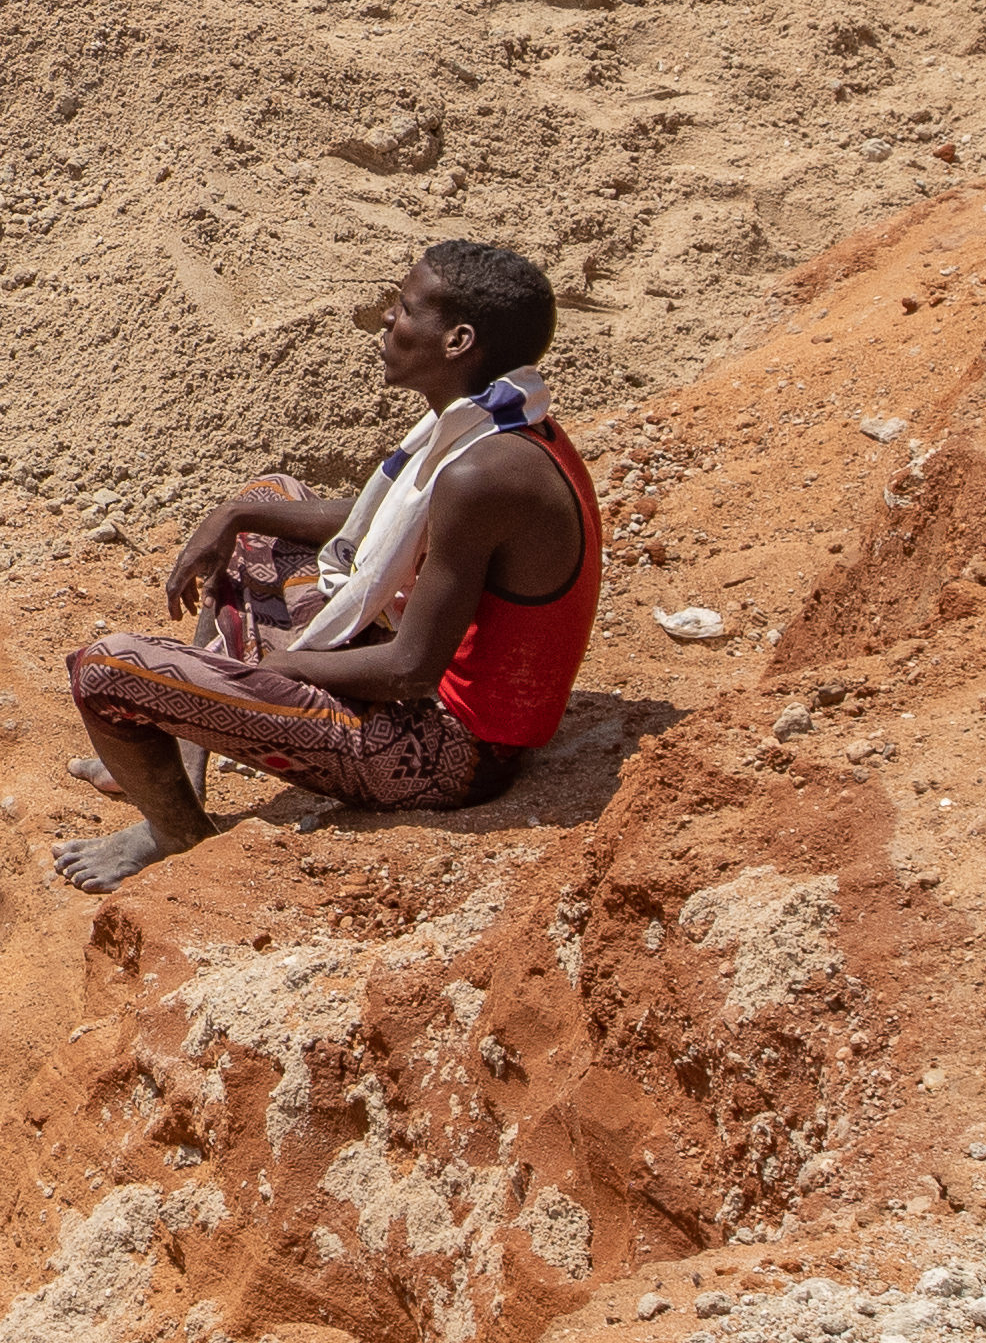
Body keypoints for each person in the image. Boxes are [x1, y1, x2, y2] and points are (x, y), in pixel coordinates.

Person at [50, 238, 605, 892]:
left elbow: (410, 670)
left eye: (404, 308)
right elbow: (373, 521)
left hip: (446, 754)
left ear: (457, 341)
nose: (387, 320)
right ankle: (183, 762)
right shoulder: (499, 426)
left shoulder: (481, 474)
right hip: (427, 700)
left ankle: (174, 832)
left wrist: (282, 667)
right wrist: (233, 516)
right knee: (268, 500)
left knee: (107, 673)